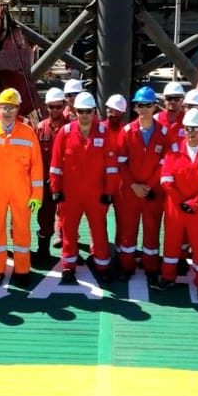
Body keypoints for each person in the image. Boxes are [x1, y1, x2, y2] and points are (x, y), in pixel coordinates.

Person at [0, 87, 45, 285]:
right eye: (3, 107)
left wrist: (36, 196)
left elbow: (36, 167)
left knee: (22, 230)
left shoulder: (28, 134)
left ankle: (22, 270)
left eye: (11, 107)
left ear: (17, 109)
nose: (7, 111)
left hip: (21, 191)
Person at [50, 92, 118, 284]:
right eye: (81, 111)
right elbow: (56, 164)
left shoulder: (105, 133)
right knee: (69, 230)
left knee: (99, 230)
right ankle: (68, 266)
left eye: (88, 111)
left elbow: (111, 166)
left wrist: (109, 191)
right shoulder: (65, 133)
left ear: (94, 111)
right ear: (74, 111)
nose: (85, 115)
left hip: (96, 194)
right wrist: (56, 189)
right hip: (70, 194)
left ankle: (102, 265)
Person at [156, 108, 198, 292]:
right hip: (175, 208)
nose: (191, 133)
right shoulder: (174, 150)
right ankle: (168, 276)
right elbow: (166, 180)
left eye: (196, 129)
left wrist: (195, 203)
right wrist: (181, 202)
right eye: (188, 128)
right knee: (171, 243)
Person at [116, 87, 169, 278]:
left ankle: (151, 266)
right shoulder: (126, 132)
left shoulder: (164, 132)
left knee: (152, 229)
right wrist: (133, 185)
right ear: (135, 107)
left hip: (153, 192)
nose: (144, 109)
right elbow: (120, 163)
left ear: (155, 106)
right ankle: (126, 265)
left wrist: (150, 185)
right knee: (128, 229)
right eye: (140, 105)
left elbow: (166, 161)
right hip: (130, 191)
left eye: (148, 105)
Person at [34, 87, 70, 262]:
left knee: (68, 217)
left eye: (58, 106)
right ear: (46, 106)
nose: (55, 110)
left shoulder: (71, 127)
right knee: (44, 217)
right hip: (46, 182)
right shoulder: (40, 128)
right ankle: (43, 251)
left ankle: (70, 253)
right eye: (51, 107)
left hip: (66, 182)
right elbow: (35, 157)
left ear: (64, 105)